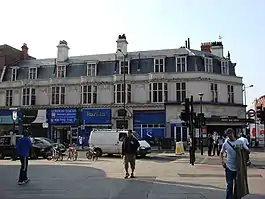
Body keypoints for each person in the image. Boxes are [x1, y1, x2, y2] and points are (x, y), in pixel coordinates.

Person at [220, 128, 250, 199]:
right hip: (229, 167)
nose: (229, 136)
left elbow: (248, 151)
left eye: (230, 134)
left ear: (233, 133)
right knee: (229, 185)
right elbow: (221, 152)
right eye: (228, 134)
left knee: (237, 185)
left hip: (238, 167)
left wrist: (242, 149)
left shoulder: (240, 142)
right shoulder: (226, 143)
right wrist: (222, 161)